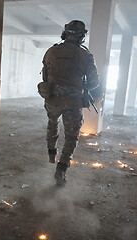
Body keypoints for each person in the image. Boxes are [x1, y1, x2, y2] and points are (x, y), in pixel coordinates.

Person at [41, 20, 99, 186]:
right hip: (73, 102)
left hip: (52, 98)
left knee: (52, 123)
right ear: (82, 36)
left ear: (65, 33)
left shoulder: (51, 51)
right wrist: (81, 86)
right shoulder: (85, 55)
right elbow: (94, 82)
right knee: (71, 135)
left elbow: (45, 76)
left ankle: (52, 154)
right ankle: (61, 169)